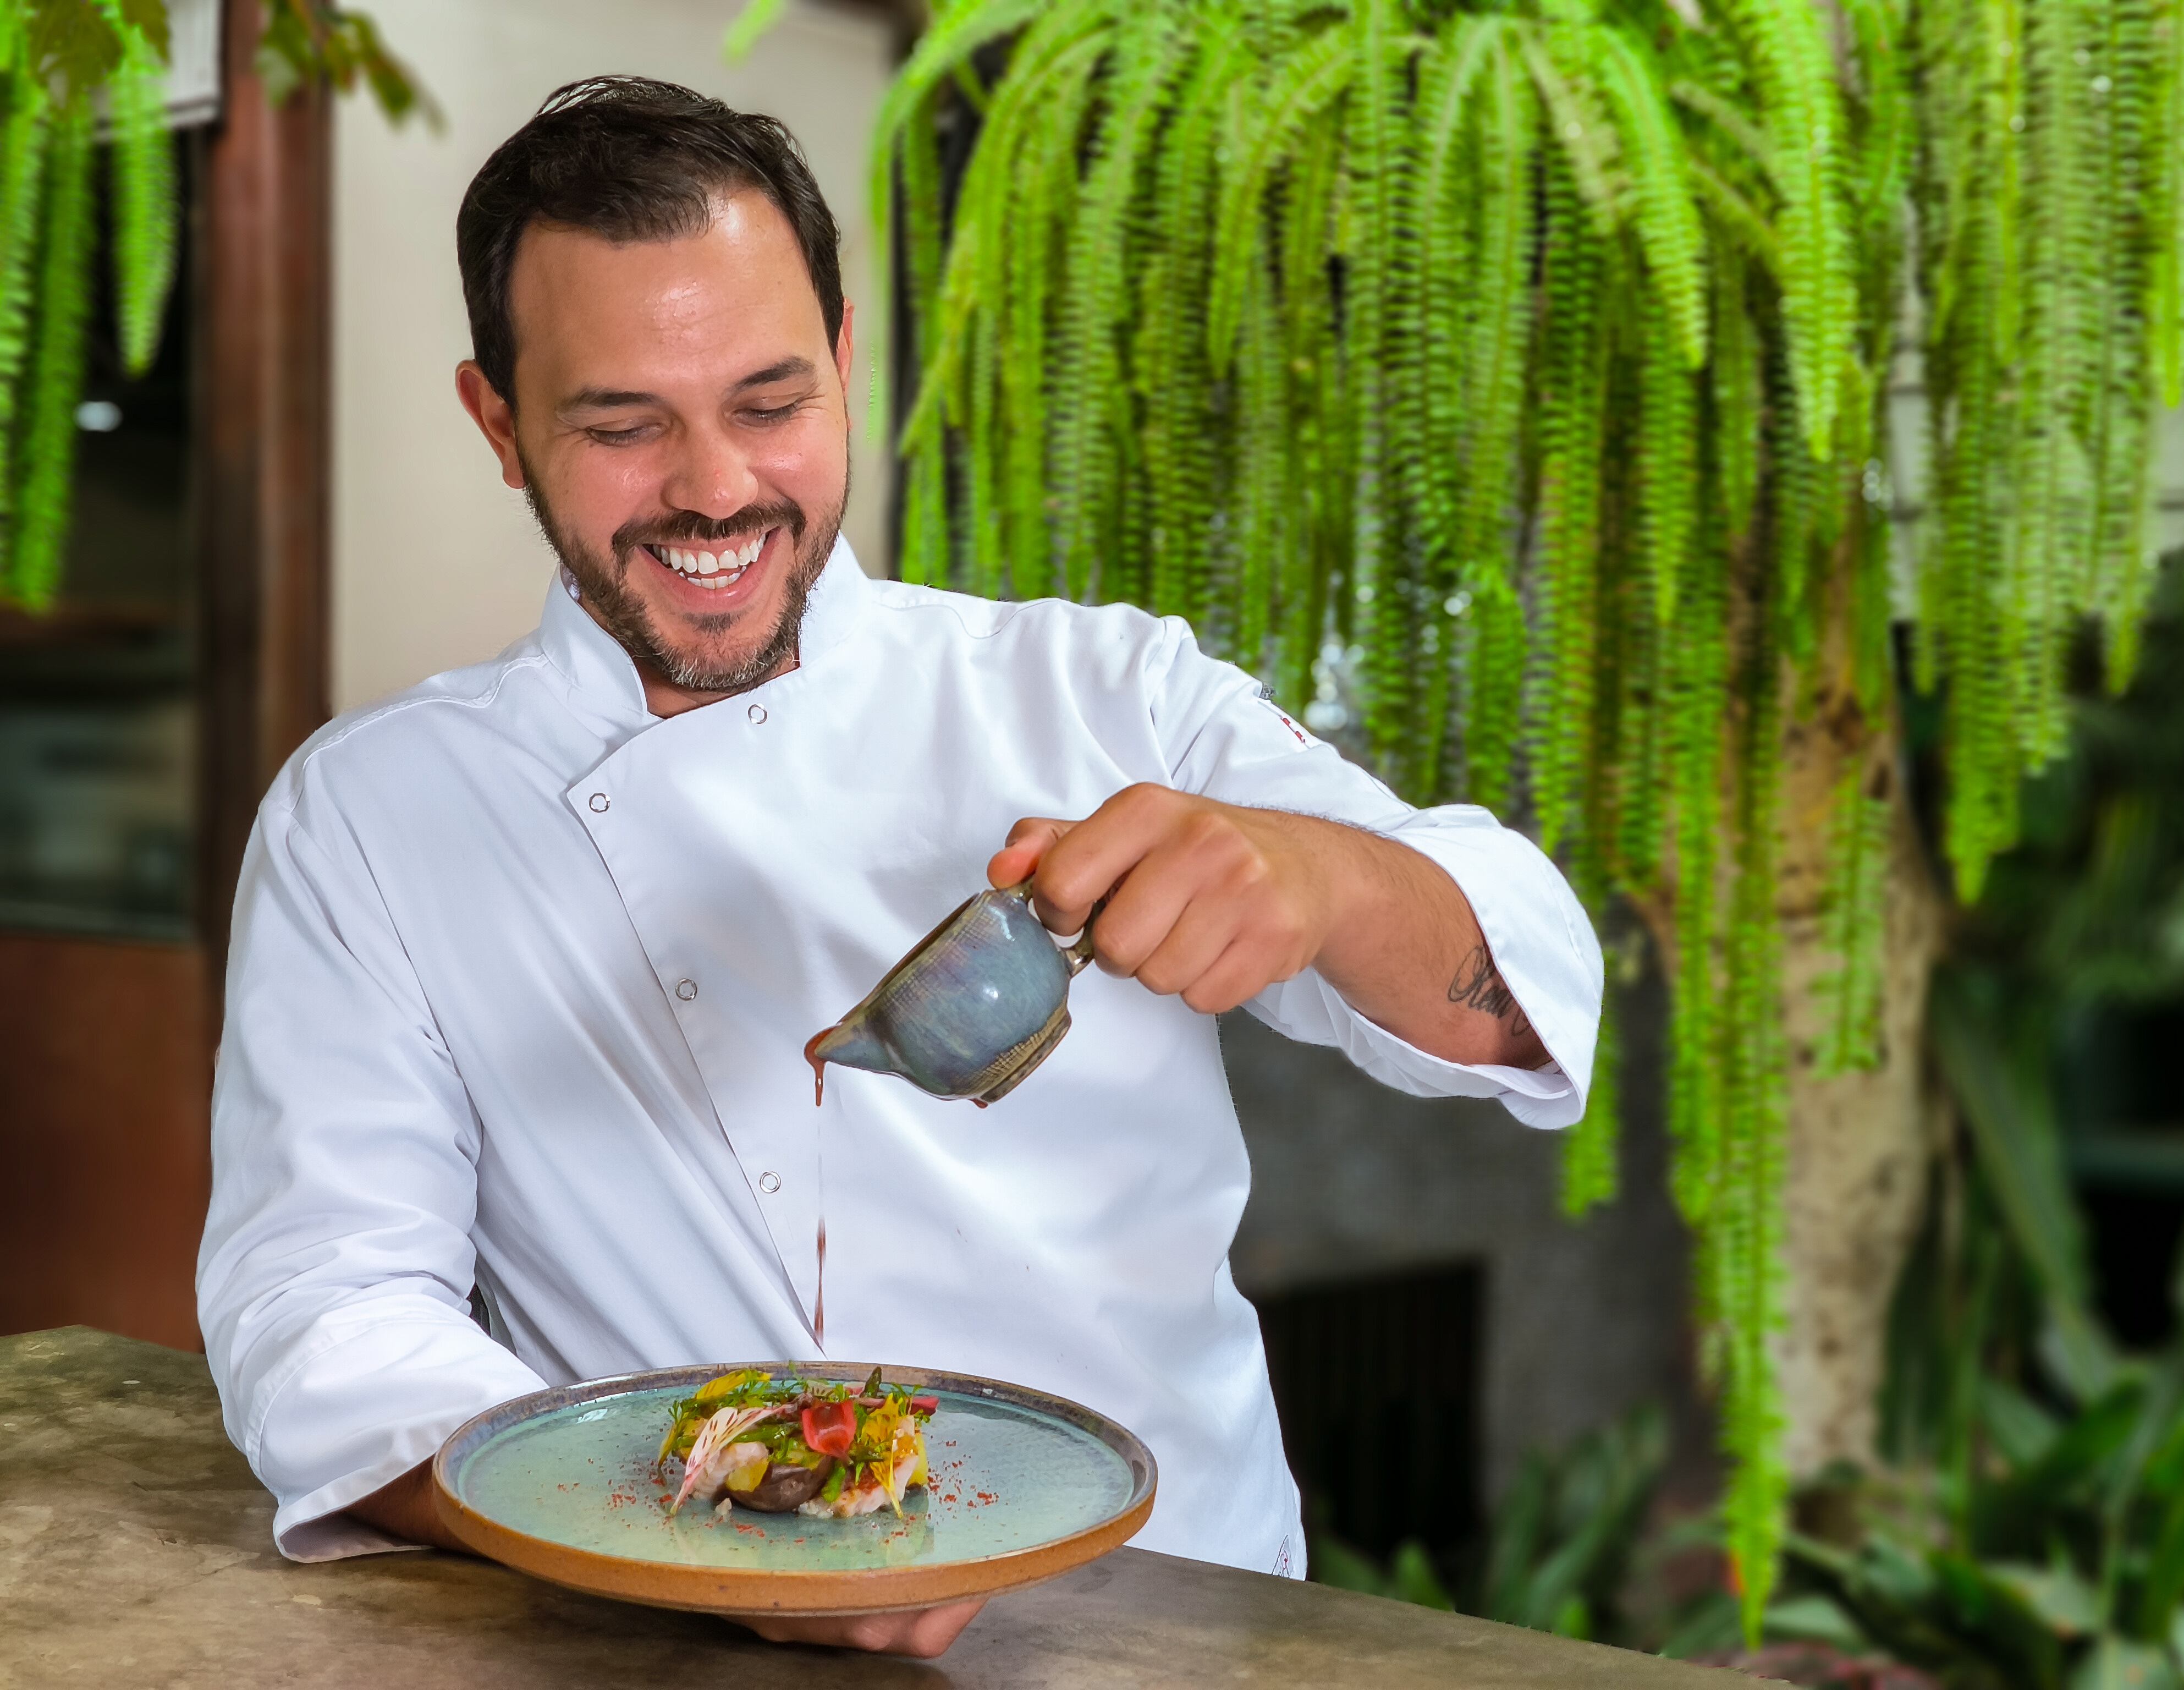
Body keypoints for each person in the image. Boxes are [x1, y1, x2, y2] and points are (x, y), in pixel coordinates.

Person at [197, 76, 1602, 1660]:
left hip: (1173, 1629)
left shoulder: (1102, 693)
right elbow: (324, 1306)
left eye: (771, 402)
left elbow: (1514, 1000)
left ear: (848, 364)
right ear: (499, 424)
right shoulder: (372, 814)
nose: (717, 489)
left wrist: (1327, 883)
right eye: (620, 424)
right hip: (658, 1639)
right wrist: (706, 1524)